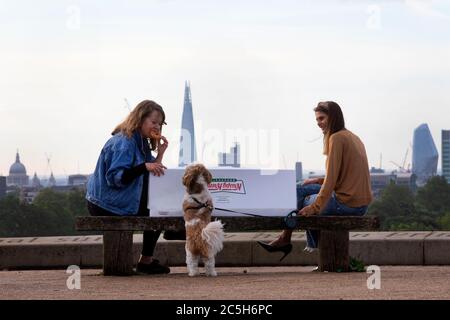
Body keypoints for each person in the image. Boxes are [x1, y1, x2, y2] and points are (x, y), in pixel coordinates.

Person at [257, 101, 373, 260]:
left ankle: (287, 238)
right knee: (299, 188)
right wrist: (318, 181)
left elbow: (332, 179)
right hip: (358, 203)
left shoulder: (337, 138)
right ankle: (285, 237)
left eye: (322, 118)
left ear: (333, 117)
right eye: (317, 120)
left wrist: (315, 207)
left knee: (304, 200)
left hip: (347, 204)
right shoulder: (353, 137)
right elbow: (343, 176)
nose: (319, 123)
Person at [86, 100, 172, 274]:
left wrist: (160, 153)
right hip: (106, 203)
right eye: (153, 122)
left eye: (160, 124)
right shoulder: (124, 143)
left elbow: (150, 173)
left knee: (160, 208)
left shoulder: (140, 142)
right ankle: (146, 262)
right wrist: (144, 167)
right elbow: (116, 179)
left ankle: (145, 261)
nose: (157, 127)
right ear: (140, 120)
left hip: (121, 198)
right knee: (158, 210)